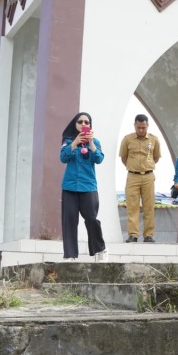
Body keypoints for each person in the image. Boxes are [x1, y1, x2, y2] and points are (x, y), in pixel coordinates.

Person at [59, 112, 106, 261]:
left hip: (88, 187)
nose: (84, 124)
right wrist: (75, 143)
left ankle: (100, 249)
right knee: (70, 220)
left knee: (91, 218)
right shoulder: (68, 141)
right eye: (80, 122)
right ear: (75, 124)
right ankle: (70, 255)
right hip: (70, 187)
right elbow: (63, 158)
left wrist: (91, 143)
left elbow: (99, 159)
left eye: (87, 122)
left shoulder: (96, 142)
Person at [119, 114, 162, 243]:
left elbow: (156, 157)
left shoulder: (154, 140)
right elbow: (124, 158)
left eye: (144, 127)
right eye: (139, 127)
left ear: (147, 126)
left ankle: (148, 235)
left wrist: (146, 167)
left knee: (149, 206)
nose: (141, 130)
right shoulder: (127, 139)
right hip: (132, 176)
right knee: (132, 206)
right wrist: (133, 167)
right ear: (135, 126)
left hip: (148, 176)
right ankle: (133, 234)